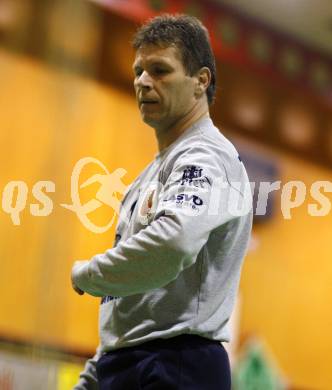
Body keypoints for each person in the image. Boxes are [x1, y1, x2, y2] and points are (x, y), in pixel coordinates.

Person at [72, 14, 252, 390]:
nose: (142, 82)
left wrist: (89, 273)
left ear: (201, 81)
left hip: (176, 365)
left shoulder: (205, 156)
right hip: (134, 363)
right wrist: (97, 371)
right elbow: (140, 298)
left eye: (159, 70)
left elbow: (173, 243)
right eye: (139, 70)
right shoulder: (154, 172)